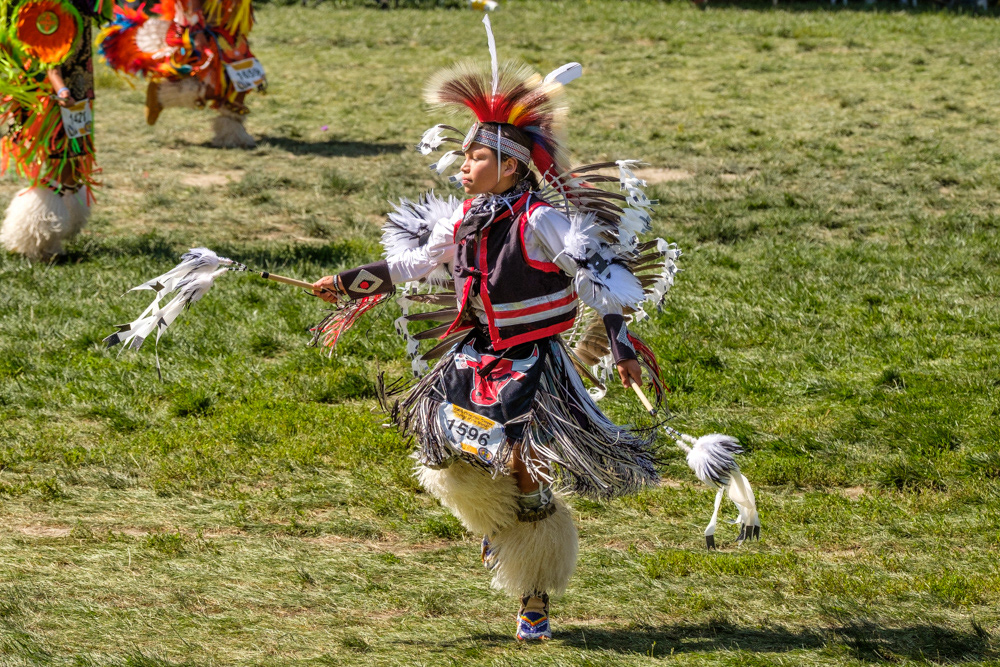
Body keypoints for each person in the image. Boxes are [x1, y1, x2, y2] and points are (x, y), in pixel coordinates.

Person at [309, 17, 680, 641]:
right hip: (474, 356)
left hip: (534, 365)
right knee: (445, 453)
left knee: (524, 469)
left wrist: (621, 347)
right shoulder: (462, 219)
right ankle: (494, 527)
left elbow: (600, 280)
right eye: (463, 155)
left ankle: (533, 592)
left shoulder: (541, 222)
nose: (464, 165)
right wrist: (348, 282)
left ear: (510, 168)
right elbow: (412, 265)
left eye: (477, 157)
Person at [1, 0, 112, 259]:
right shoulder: (54, 4)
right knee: (57, 163)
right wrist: (60, 87)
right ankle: (34, 240)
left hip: (77, 95)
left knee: (72, 164)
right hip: (56, 98)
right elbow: (48, 47)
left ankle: (57, 232)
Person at [98, 0, 264, 148]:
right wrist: (197, 32)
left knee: (243, 81)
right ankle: (163, 94)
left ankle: (231, 135)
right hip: (204, 31)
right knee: (220, 85)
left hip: (229, 32)